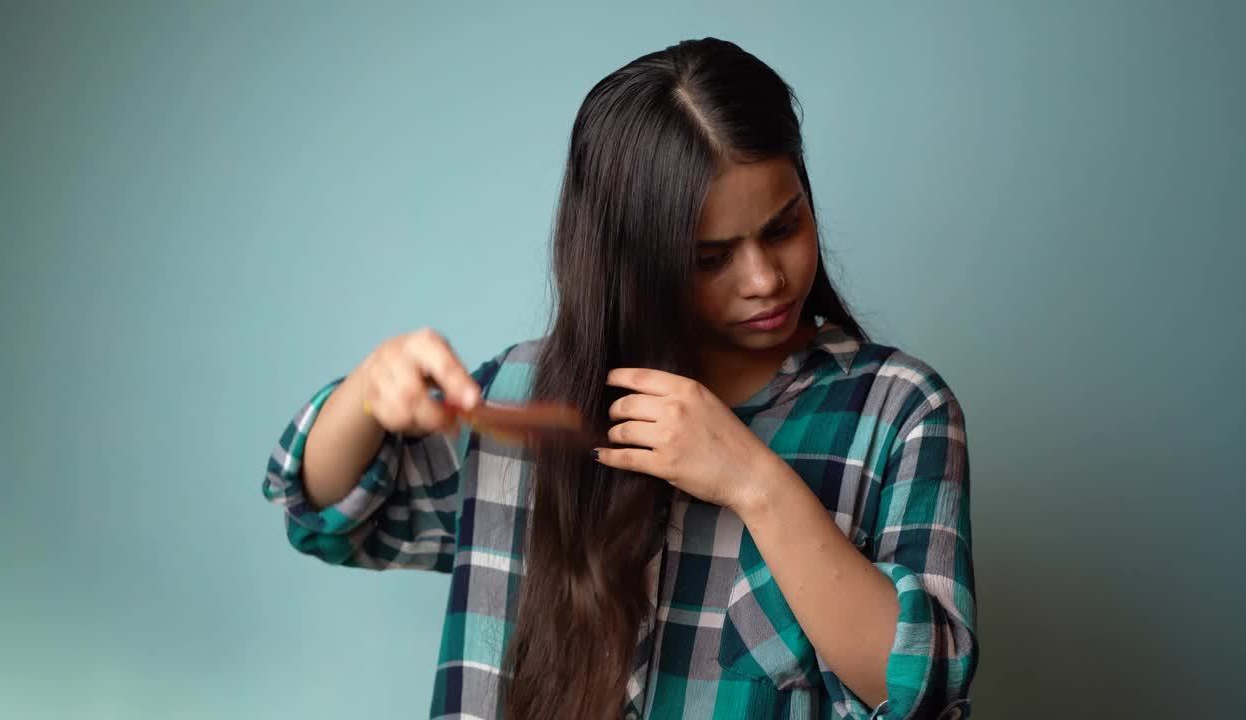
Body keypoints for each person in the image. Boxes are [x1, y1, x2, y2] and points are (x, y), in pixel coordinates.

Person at [262, 37, 976, 720]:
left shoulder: (898, 411)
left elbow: (920, 685)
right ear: (630, 259)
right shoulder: (529, 400)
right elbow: (327, 515)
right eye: (710, 259)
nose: (764, 279)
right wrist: (366, 392)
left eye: (784, 226)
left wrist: (756, 485)